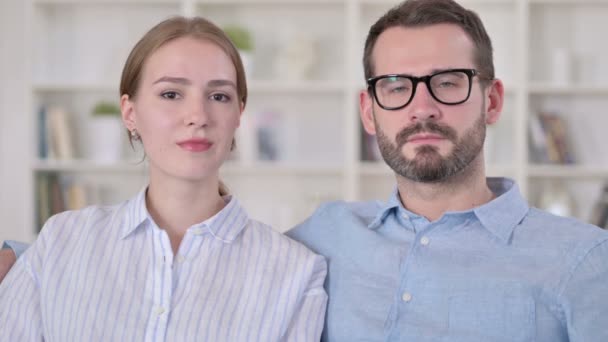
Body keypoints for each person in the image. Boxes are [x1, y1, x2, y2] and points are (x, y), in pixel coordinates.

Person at [3, 0, 608, 341]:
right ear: (369, 113)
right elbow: (125, 262)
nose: (422, 107)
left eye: (448, 83)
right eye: (396, 87)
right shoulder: (326, 240)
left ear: (493, 100)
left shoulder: (584, 262)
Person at [0, 16, 327, 341]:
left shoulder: (296, 273)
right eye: (171, 94)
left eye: (219, 97)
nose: (198, 116)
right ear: (130, 113)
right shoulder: (60, 241)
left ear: (238, 114)